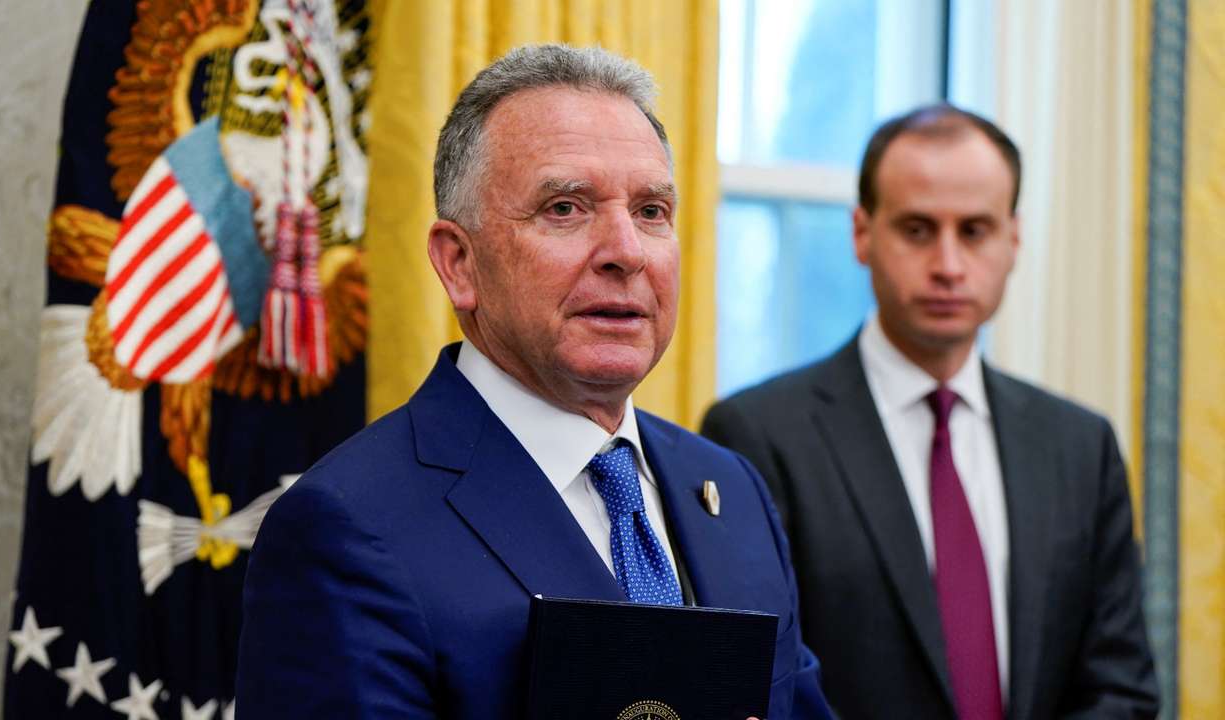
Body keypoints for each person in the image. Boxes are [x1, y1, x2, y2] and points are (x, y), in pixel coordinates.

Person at [236, 44, 832, 719]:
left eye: (651, 212)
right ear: (459, 264)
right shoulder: (346, 528)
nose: (626, 253)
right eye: (565, 208)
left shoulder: (732, 492)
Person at [702, 104, 1159, 720]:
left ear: (1013, 239)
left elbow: (1122, 689)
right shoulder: (757, 436)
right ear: (862, 233)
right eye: (918, 230)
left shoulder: (1080, 446)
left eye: (975, 231)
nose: (948, 265)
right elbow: (757, 687)